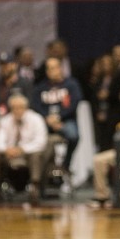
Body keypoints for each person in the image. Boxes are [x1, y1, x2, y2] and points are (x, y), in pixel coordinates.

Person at [0, 93, 48, 205]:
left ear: (26, 108)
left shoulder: (36, 119)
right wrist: (6, 150)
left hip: (28, 153)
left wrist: (21, 149)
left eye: (20, 107)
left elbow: (40, 142)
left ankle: (35, 189)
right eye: (14, 108)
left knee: (37, 155)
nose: (17, 110)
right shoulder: (6, 120)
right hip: (9, 154)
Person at [33, 56, 83, 189]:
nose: (52, 71)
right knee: (38, 140)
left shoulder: (71, 84)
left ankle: (65, 164)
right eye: (49, 68)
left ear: (60, 68)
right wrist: (47, 119)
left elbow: (74, 103)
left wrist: (59, 117)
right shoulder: (41, 87)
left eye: (55, 67)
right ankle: (42, 173)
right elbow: (35, 105)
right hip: (45, 122)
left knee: (73, 135)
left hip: (65, 120)